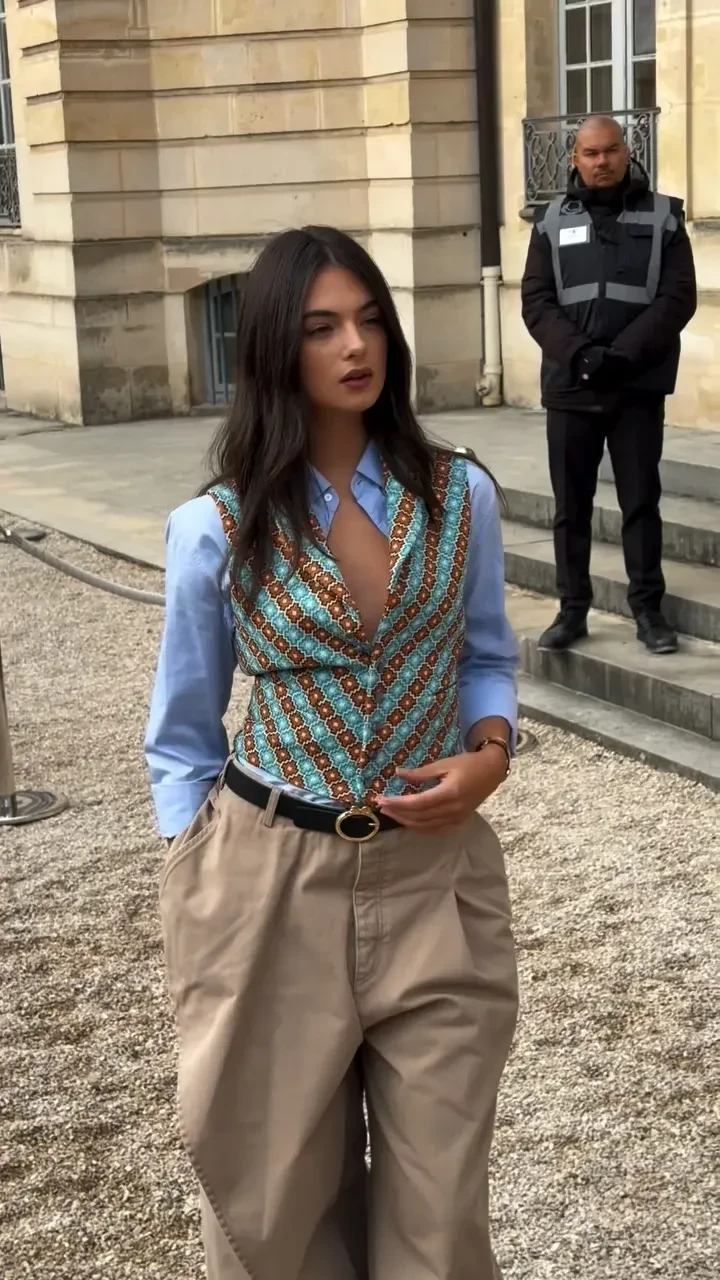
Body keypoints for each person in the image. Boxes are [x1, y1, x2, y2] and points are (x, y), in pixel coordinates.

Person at [145, 226, 519, 1280]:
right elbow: (182, 732)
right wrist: (199, 871)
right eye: (321, 328)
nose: (356, 346)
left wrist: (490, 753)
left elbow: (487, 655)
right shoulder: (217, 527)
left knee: (441, 1211)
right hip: (270, 878)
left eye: (368, 320)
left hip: (434, 876)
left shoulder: (460, 495)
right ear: (275, 347)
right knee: (273, 1208)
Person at [521, 114, 697, 654]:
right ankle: (572, 611)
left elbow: (678, 297)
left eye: (611, 150)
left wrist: (621, 357)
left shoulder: (665, 216)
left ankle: (648, 612)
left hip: (636, 385)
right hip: (571, 384)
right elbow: (536, 300)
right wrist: (581, 355)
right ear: (575, 159)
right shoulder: (550, 222)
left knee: (640, 502)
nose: (603, 161)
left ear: (628, 152)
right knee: (571, 507)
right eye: (591, 153)